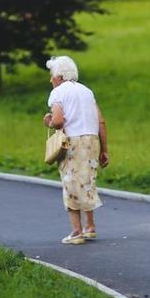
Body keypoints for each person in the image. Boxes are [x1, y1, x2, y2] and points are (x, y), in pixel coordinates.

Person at [43, 56, 109, 245]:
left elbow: (58, 121)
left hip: (73, 142)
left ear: (59, 76)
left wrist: (48, 121)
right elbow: (101, 122)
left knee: (70, 184)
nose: (50, 80)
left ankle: (76, 232)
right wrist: (105, 150)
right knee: (87, 182)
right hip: (92, 141)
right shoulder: (87, 91)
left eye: (51, 76)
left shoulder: (58, 93)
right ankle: (90, 227)